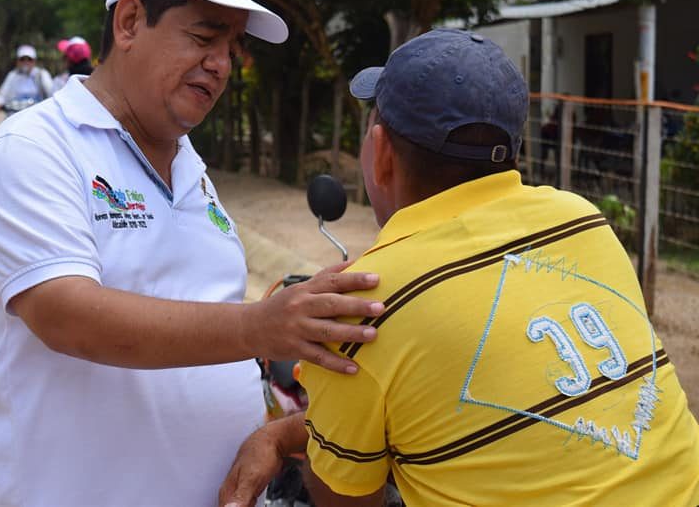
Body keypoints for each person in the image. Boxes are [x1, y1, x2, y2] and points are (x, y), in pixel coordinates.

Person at [0, 0, 383, 507]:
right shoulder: (34, 151)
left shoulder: (188, 164)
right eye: (204, 36)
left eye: (231, 45)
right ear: (129, 22)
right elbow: (68, 316)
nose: (221, 64)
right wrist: (258, 326)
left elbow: (197, 318)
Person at [220, 29, 699, 507]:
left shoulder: (359, 308)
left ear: (380, 153)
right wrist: (284, 435)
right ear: (513, 151)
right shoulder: (584, 221)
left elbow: (347, 499)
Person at [0, 44, 53, 113]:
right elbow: (3, 93)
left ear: (34, 61)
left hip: (35, 113)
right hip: (15, 113)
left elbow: (51, 91)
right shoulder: (13, 75)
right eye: (22, 59)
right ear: (17, 61)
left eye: (29, 59)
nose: (26, 62)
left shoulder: (42, 74)